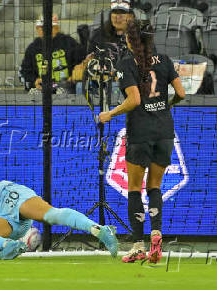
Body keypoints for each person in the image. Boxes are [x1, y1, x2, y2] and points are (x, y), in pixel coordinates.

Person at [98, 20, 185, 263]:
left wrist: (110, 114)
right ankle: (156, 233)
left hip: (140, 133)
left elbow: (134, 100)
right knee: (155, 186)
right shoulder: (165, 60)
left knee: (134, 188)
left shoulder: (127, 63)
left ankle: (138, 245)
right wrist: (166, 107)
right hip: (165, 131)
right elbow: (181, 93)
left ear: (129, 40)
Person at [71, 0, 135, 83]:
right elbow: (90, 60)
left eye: (122, 12)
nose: (117, 17)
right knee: (80, 86)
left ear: (131, 16)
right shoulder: (99, 35)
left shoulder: (139, 35)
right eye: (114, 12)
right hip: (103, 80)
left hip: (130, 80)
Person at [20, 14, 83, 93]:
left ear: (57, 28)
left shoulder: (69, 43)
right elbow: (25, 72)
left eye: (50, 28)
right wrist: (34, 81)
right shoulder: (32, 49)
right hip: (42, 89)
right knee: (34, 94)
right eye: (43, 28)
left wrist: (75, 75)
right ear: (37, 29)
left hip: (67, 87)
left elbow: (81, 62)